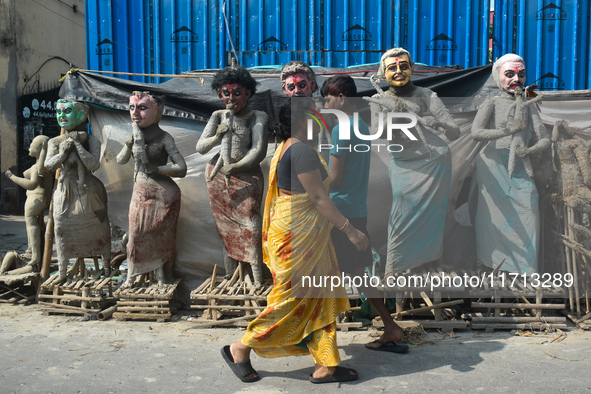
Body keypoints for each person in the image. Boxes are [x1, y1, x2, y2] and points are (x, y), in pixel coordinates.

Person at [221, 98, 369, 384]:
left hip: (305, 237)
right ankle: (240, 348)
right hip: (296, 239)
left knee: (318, 298)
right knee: (291, 301)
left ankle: (326, 364)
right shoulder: (301, 150)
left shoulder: (289, 145)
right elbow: (317, 197)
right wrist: (349, 229)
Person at [321, 75, 408, 353]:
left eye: (328, 99)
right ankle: (391, 326)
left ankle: (321, 338)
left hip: (340, 212)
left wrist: (310, 175)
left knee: (328, 275)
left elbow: (334, 178)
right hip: (357, 209)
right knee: (358, 274)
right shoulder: (361, 125)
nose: (325, 105)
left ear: (341, 99)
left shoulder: (342, 129)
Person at [365, 47, 460, 276]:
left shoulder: (426, 95)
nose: (398, 72)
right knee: (403, 212)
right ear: (383, 73)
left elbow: (454, 131)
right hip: (403, 164)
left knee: (434, 214)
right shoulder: (378, 99)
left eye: (403, 66)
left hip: (435, 160)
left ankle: (431, 262)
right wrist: (394, 114)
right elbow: (379, 134)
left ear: (412, 68)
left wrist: (439, 124)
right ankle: (395, 266)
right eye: (392, 68)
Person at [471, 54, 550, 274]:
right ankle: (488, 263)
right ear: (499, 77)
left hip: (521, 166)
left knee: (529, 209)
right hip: (492, 165)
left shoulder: (528, 104)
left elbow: (544, 138)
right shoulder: (492, 102)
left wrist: (530, 149)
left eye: (521, 74)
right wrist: (505, 131)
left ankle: (526, 270)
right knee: (490, 217)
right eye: (510, 74)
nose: (516, 78)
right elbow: (476, 133)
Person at [195, 67, 268, 286]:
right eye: (226, 93)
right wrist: (218, 135)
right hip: (218, 178)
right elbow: (201, 147)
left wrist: (235, 167)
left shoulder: (257, 116)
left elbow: (258, 150)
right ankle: (232, 278)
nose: (231, 98)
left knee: (251, 226)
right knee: (225, 229)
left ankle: (256, 280)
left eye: (237, 92)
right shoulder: (218, 116)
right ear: (219, 95)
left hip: (247, 177)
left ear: (248, 93)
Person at [117, 91, 187, 286]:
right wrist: (128, 144)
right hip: (140, 191)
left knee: (161, 238)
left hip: (163, 195)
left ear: (159, 112)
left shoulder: (164, 138)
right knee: (135, 235)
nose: (135, 112)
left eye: (142, 108)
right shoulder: (133, 136)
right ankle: (132, 276)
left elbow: (181, 168)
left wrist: (157, 169)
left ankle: (162, 276)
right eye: (132, 107)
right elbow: (120, 160)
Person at [45, 100, 111, 281]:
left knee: (99, 227)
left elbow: (94, 164)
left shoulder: (92, 140)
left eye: (67, 111)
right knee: (62, 229)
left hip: (89, 189)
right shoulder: (55, 141)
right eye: (59, 111)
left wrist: (79, 147)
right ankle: (63, 271)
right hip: (65, 189)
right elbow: (48, 165)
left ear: (82, 115)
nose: (62, 116)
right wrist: (63, 153)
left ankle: (105, 267)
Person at [1, 135, 52, 275]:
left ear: (40, 148)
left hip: (35, 199)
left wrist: (12, 177)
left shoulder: (39, 167)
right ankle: (34, 255)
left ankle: (34, 258)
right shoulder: (43, 166)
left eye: (32, 144)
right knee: (34, 226)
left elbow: (31, 184)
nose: (29, 146)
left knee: (32, 226)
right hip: (38, 199)